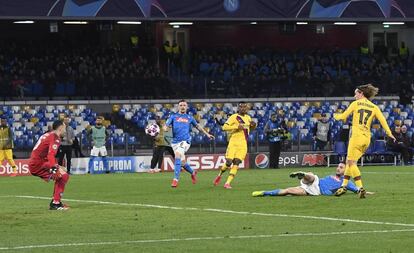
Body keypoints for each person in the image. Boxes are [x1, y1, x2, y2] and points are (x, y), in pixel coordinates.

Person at [333, 84, 395, 198]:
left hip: (356, 137)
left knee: (351, 163)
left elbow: (343, 117)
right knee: (349, 162)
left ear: (361, 93)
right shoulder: (374, 107)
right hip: (366, 139)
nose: (354, 95)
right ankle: (343, 186)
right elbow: (383, 121)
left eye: (356, 93)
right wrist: (390, 133)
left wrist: (335, 116)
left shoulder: (355, 104)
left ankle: (360, 188)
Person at [164, 100, 215, 187]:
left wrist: (207, 134)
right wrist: (165, 128)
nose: (183, 106)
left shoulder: (189, 117)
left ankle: (175, 179)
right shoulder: (173, 116)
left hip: (185, 141)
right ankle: (193, 172)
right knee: (183, 163)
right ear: (178, 107)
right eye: (181, 105)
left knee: (177, 155)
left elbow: (198, 126)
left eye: (184, 105)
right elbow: (166, 125)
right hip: (175, 142)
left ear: (187, 107)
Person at [252, 163, 374, 197]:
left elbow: (358, 190)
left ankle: (264, 193)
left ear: (346, 171)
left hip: (315, 191)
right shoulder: (331, 176)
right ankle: (302, 174)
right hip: (315, 181)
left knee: (288, 191)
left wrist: (366, 192)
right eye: (338, 166)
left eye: (341, 167)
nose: (338, 168)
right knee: (311, 175)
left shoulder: (346, 183)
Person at [213, 102, 257, 189]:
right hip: (233, 143)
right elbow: (224, 127)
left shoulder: (248, 117)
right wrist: (236, 127)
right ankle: (219, 175)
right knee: (229, 162)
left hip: (243, 144)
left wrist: (253, 126)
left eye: (245, 107)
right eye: (241, 107)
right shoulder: (234, 117)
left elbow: (249, 129)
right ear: (238, 108)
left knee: (236, 162)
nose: (243, 108)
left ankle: (227, 183)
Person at [28, 120, 70, 210]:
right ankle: (55, 203)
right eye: (65, 128)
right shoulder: (55, 138)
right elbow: (50, 154)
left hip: (38, 162)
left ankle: (56, 202)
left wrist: (56, 166)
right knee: (63, 176)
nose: (65, 131)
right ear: (60, 128)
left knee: (63, 173)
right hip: (38, 164)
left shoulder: (48, 134)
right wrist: (54, 169)